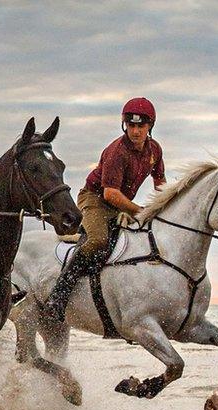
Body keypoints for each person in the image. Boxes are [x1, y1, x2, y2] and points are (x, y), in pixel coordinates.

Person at [43, 97, 166, 322]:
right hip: (96, 199)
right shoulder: (117, 151)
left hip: (121, 203)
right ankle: (58, 296)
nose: (136, 131)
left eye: (141, 126)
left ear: (150, 126)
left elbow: (160, 183)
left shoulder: (154, 150)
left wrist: (164, 210)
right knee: (98, 240)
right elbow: (110, 193)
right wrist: (141, 211)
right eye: (131, 126)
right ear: (125, 125)